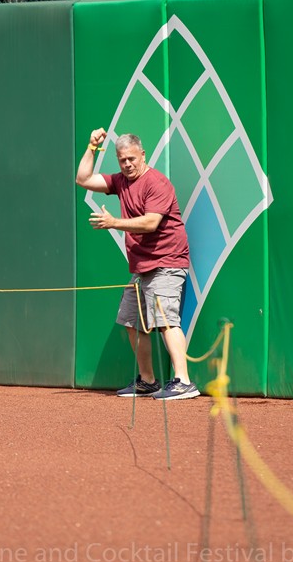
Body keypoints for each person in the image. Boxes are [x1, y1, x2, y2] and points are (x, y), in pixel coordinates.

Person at [75, 128, 200, 401]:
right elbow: (82, 178)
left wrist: (114, 223)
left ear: (142, 155)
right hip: (141, 267)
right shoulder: (120, 182)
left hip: (167, 262)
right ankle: (148, 382)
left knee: (166, 321)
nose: (128, 164)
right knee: (132, 321)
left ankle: (184, 381)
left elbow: (150, 222)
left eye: (132, 158)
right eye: (122, 160)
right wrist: (92, 146)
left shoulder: (157, 183)